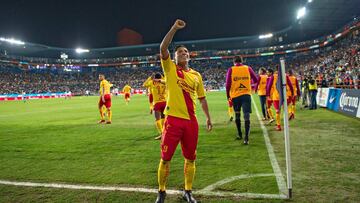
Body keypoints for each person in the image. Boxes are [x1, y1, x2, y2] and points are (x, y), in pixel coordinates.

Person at [156, 19, 212, 203]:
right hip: (172, 119)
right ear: (174, 57)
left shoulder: (196, 75)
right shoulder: (170, 68)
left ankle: (188, 191)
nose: (183, 53)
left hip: (191, 122)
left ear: (190, 56)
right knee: (165, 159)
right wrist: (173, 28)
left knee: (191, 158)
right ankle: (161, 192)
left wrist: (208, 118)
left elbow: (202, 98)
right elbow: (163, 48)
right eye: (180, 52)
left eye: (186, 52)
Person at [226, 55, 258, 144]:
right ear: (242, 61)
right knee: (246, 116)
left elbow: (228, 85)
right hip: (246, 95)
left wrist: (228, 96)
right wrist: (249, 84)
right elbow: (256, 80)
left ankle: (239, 134)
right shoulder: (248, 68)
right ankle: (246, 138)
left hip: (235, 96)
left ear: (234, 62)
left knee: (237, 115)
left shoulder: (231, 69)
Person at [149, 73, 167, 140]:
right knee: (163, 118)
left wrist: (151, 78)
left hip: (157, 103)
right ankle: (165, 132)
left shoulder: (153, 83)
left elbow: (144, 84)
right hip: (165, 102)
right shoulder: (164, 82)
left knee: (157, 119)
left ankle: (162, 133)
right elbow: (166, 81)